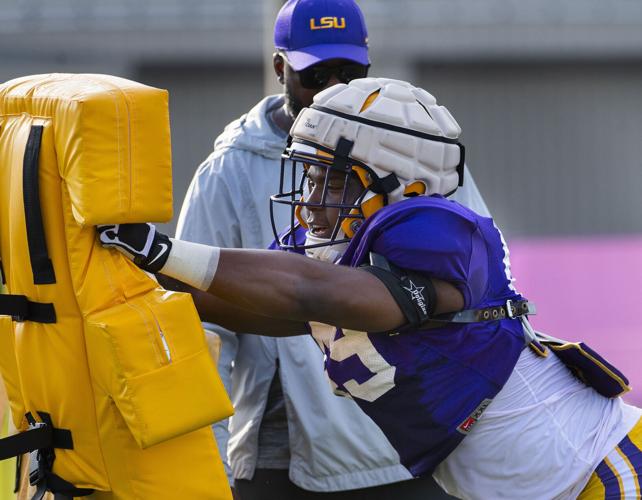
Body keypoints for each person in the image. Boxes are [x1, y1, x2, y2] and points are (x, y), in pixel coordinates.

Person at [100, 77, 642, 499]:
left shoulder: (440, 231)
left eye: (332, 180)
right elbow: (252, 308)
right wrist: (138, 270)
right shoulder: (331, 260)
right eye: (310, 177)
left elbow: (313, 295)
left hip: (593, 467)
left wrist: (165, 249)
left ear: (402, 185)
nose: (312, 200)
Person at [175, 0, 486, 498]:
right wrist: (207, 460)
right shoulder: (229, 169)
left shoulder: (417, 147)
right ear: (280, 67)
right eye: (315, 75)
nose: (331, 91)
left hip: (405, 439)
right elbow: (202, 326)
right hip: (283, 448)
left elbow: (475, 277)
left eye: (347, 73)